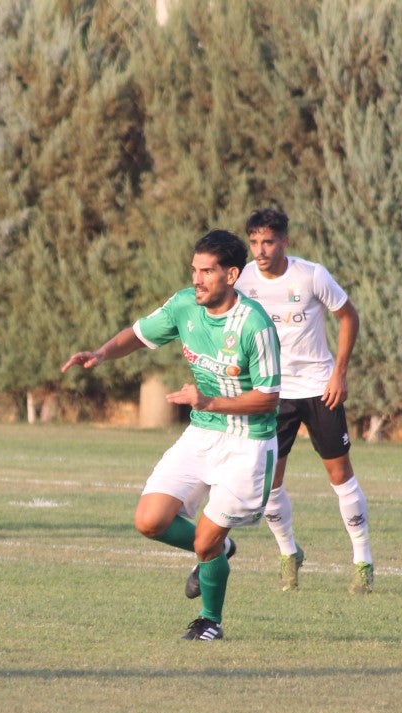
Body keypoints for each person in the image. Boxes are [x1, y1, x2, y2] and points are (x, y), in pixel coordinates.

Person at [61, 230, 281, 640]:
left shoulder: (255, 325)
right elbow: (140, 333)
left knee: (204, 543)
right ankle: (219, 551)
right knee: (149, 521)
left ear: (231, 275)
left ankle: (209, 620)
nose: (197, 279)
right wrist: (102, 353)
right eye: (194, 270)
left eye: (208, 271)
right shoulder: (184, 305)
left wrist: (209, 401)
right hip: (202, 435)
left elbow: (268, 398)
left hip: (248, 445)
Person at [196, 208, 375, 595]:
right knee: (270, 483)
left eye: (268, 242)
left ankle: (362, 560)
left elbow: (348, 317)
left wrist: (339, 372)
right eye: (255, 242)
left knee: (339, 476)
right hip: (272, 394)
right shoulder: (240, 279)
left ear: (284, 242)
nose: (260, 250)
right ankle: (288, 553)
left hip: (317, 388)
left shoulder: (312, 275)